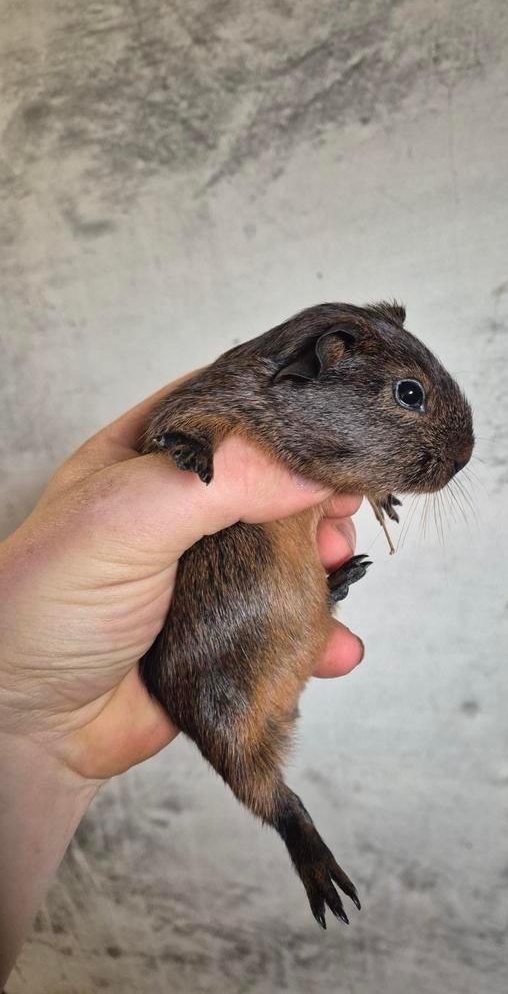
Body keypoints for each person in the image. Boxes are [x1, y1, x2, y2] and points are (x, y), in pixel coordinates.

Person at [0, 380, 365, 985]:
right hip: (202, 657)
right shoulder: (244, 405)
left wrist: (24, 731)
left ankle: (309, 606)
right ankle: (294, 823)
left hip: (247, 631)